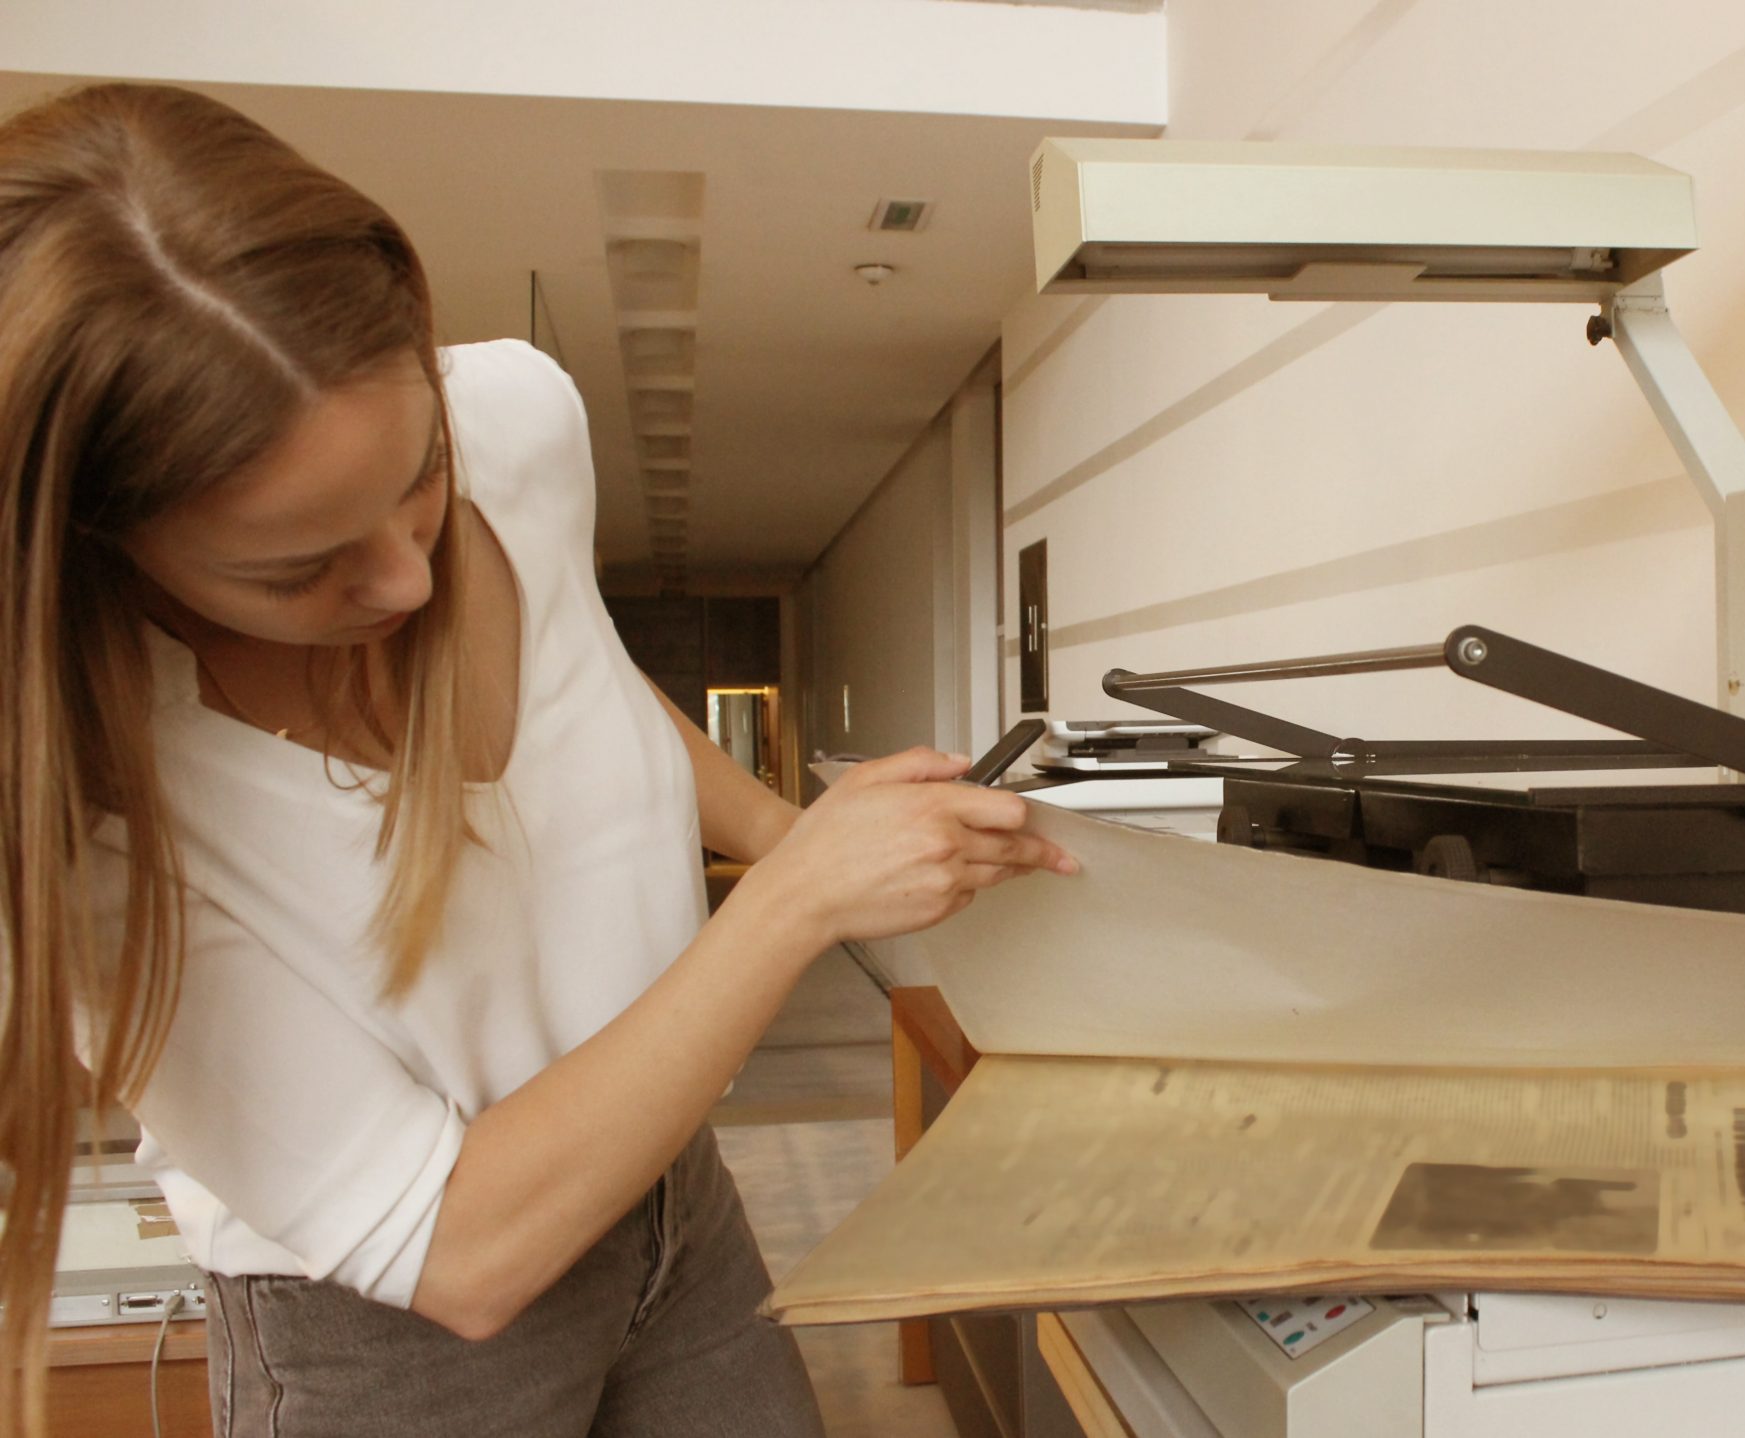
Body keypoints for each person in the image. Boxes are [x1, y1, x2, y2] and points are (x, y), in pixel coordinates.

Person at [0, 82, 1075, 1437]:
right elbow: (461, 1253)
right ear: (109, 541)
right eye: (300, 566)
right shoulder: (90, 807)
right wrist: (796, 904)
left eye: (419, 480)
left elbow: (584, 675)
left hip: (677, 1202)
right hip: (395, 1338)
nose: (401, 578)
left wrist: (779, 822)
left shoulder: (514, 416)